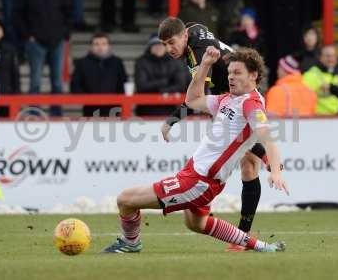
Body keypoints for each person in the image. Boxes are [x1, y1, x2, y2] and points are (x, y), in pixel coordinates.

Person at [102, 47, 288, 253]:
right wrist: (205, 65)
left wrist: (276, 171)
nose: (230, 77)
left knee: (125, 200)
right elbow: (192, 100)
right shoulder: (227, 99)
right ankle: (263, 247)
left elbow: (267, 137)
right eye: (229, 72)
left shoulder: (251, 104)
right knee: (196, 224)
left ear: (253, 75)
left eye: (237, 73)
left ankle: (130, 243)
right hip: (194, 174)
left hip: (199, 182)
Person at [158, 17, 278, 252]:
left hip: (240, 91)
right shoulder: (193, 31)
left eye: (172, 43)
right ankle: (241, 234)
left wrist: (172, 119)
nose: (169, 49)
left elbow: (197, 98)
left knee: (247, 164)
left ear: (184, 36)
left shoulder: (197, 53)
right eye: (165, 45)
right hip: (233, 91)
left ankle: (242, 236)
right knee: (246, 163)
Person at [13, 0, 71, 116]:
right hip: (35, 42)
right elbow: (17, 14)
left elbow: (68, 9)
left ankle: (56, 113)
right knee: (35, 81)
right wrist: (28, 36)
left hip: (57, 41)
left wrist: (65, 34)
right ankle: (34, 113)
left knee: (57, 81)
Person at [70, 33, 127, 117]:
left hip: (114, 109)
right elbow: (75, 85)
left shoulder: (117, 62)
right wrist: (87, 99)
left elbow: (123, 83)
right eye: (96, 44)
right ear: (91, 47)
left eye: (104, 44)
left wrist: (117, 99)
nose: (100, 47)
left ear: (109, 46)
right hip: (90, 109)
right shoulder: (82, 63)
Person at [135, 35, 189, 116]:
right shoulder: (141, 62)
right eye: (155, 45)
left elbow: (180, 85)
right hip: (146, 108)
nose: (159, 47)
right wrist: (164, 82)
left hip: (170, 107)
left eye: (162, 44)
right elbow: (141, 86)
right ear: (150, 47)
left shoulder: (176, 61)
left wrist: (161, 90)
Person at [303, 45, 338, 115]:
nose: (331, 59)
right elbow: (304, 98)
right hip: (318, 117)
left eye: (333, 56)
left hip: (337, 117)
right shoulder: (311, 74)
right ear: (320, 58)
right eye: (328, 56)